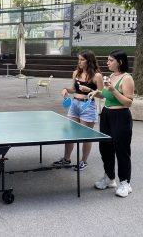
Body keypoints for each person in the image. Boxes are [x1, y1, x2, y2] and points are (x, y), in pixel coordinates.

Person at [89, 49, 134, 197]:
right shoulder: (112, 76)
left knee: (121, 150)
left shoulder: (127, 78)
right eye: (107, 60)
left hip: (120, 116)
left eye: (110, 60)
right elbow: (107, 95)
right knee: (105, 148)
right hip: (107, 114)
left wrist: (114, 91)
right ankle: (109, 178)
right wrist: (97, 92)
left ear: (119, 62)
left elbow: (128, 102)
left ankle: (125, 183)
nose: (107, 63)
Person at [53, 50, 103, 170]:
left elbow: (102, 94)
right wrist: (65, 90)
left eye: (82, 59)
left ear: (89, 61)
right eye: (79, 59)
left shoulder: (97, 76)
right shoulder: (76, 73)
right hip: (74, 105)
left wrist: (89, 90)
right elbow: (73, 89)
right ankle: (66, 159)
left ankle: (83, 161)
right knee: (70, 133)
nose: (79, 62)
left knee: (85, 135)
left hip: (88, 106)